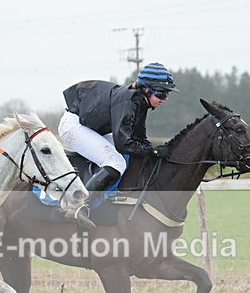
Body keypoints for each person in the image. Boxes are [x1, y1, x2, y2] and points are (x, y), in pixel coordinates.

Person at [58, 62, 178, 209]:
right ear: (146, 89)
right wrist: (153, 151)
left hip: (89, 126)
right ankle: (79, 206)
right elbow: (124, 144)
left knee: (123, 157)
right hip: (73, 126)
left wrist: (156, 151)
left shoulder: (140, 103)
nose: (165, 98)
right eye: (161, 93)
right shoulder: (129, 101)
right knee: (116, 162)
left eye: (167, 94)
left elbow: (139, 139)